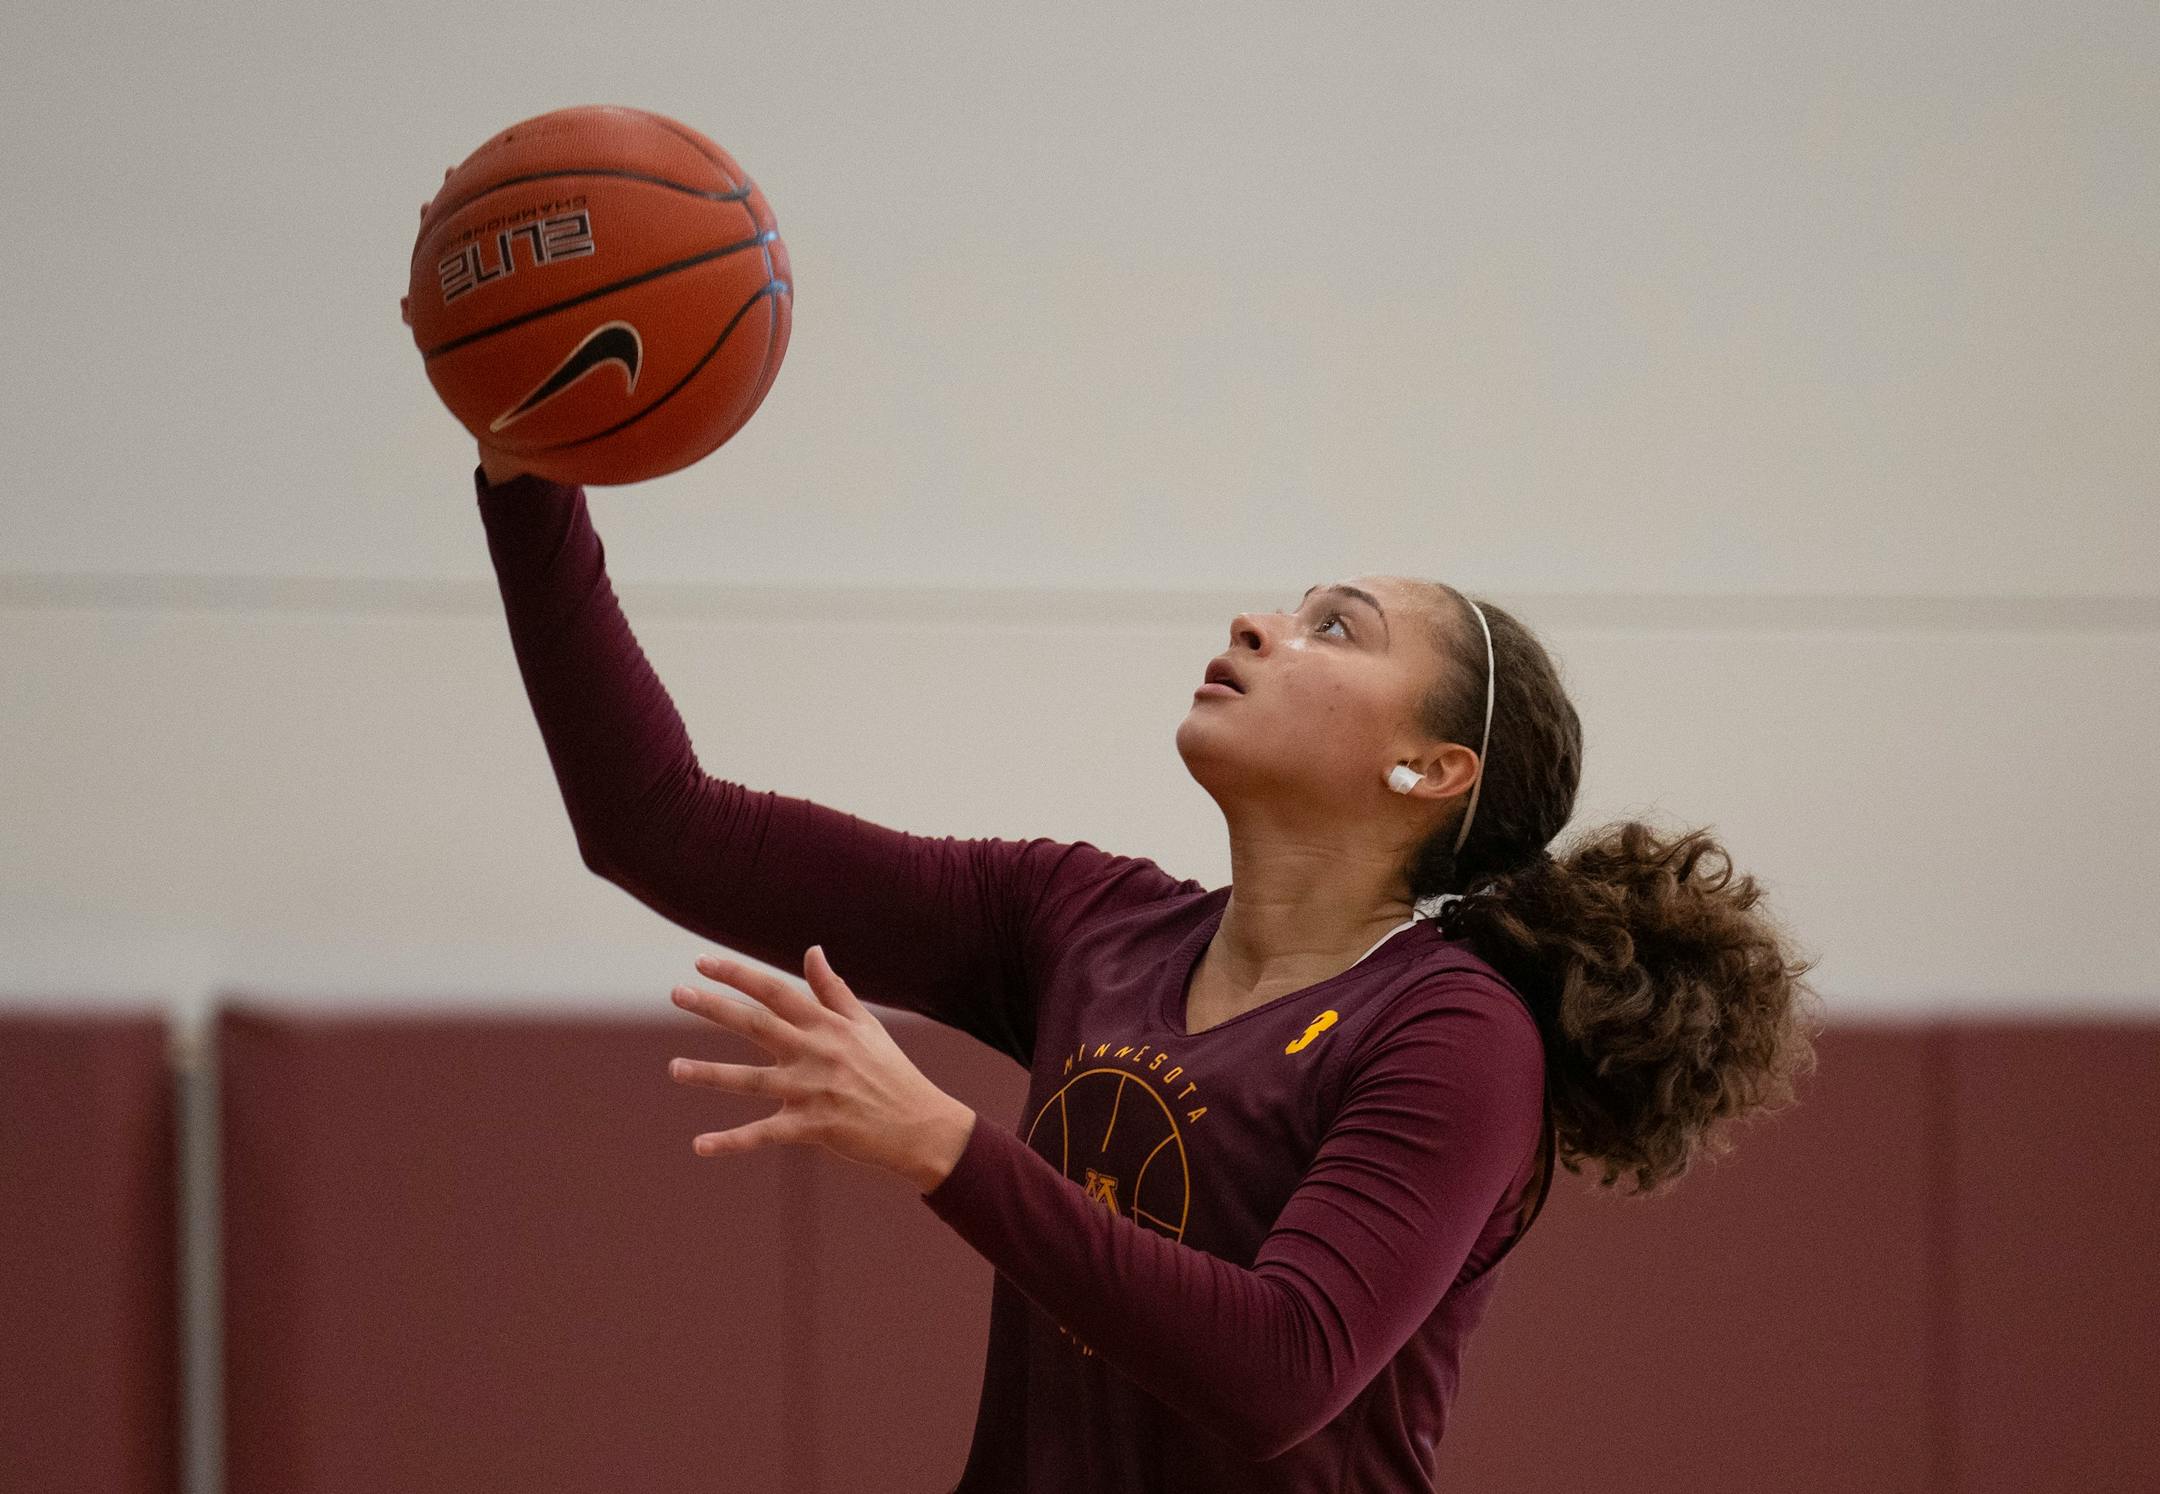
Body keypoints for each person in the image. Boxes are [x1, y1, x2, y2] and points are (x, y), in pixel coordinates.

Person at [469, 442, 1820, 1493]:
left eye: (1333, 627)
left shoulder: (1456, 1032)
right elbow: (664, 825)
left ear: (1429, 769)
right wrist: (530, 483)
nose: (1257, 624)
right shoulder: (1083, 919)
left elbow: (1278, 1363)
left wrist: (944, 1142)